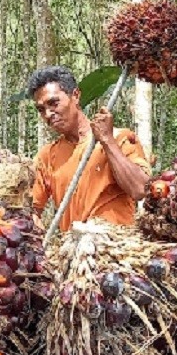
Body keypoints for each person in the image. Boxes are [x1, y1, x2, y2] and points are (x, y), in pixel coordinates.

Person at [28, 65, 151, 231]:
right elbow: (31, 210)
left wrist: (107, 141)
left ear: (76, 95)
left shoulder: (120, 138)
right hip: (76, 252)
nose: (48, 114)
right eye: (41, 109)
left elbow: (140, 189)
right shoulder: (47, 156)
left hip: (116, 249)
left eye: (53, 103)